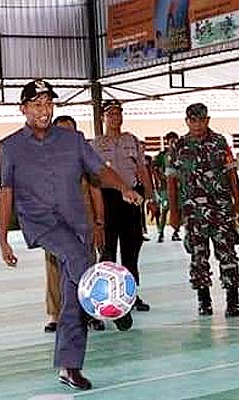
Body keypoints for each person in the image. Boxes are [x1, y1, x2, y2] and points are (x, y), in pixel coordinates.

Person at [0, 80, 143, 390]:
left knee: (73, 294)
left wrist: (123, 187)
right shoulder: (10, 147)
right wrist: (3, 238)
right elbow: (6, 192)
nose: (44, 110)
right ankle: (110, 304)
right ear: (23, 109)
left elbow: (99, 170)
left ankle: (69, 366)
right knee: (80, 263)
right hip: (42, 224)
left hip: (77, 224)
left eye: (48, 103)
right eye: (36, 104)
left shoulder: (73, 140)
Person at [168, 103, 239, 317]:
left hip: (221, 210)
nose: (197, 124)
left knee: (227, 254)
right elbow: (172, 181)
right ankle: (204, 300)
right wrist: (174, 211)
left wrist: (237, 201)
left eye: (201, 120)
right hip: (193, 213)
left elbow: (231, 173)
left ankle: (233, 300)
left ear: (207, 120)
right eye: (193, 120)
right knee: (198, 257)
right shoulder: (179, 146)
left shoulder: (220, 142)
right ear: (187, 122)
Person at [42, 115, 106, 333]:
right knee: (54, 269)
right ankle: (55, 315)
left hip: (84, 223)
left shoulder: (84, 156)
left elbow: (96, 190)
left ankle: (90, 313)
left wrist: (99, 223)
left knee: (88, 268)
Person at [92, 100, 155, 313]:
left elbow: (142, 170)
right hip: (107, 199)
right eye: (110, 114)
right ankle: (105, 297)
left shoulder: (132, 141)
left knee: (131, 250)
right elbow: (92, 177)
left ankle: (132, 294)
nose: (115, 117)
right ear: (103, 117)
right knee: (107, 252)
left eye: (118, 113)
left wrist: (151, 196)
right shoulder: (96, 145)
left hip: (131, 198)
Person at [152, 131, 182, 242]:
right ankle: (161, 232)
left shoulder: (180, 154)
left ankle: (175, 232)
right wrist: (161, 179)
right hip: (165, 188)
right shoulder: (162, 155)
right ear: (167, 142)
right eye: (171, 140)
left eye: (175, 140)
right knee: (165, 210)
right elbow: (154, 168)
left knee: (178, 210)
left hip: (179, 188)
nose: (174, 142)